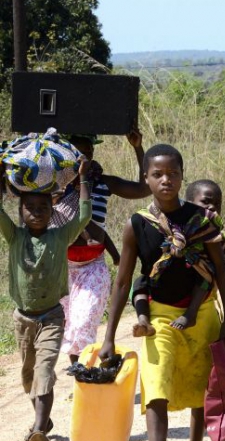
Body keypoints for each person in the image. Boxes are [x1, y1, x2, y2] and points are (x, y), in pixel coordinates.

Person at [98, 144, 225, 441]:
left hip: (202, 311)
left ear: (181, 176)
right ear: (146, 178)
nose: (165, 180)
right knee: (156, 385)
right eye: (157, 174)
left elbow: (220, 270)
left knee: (198, 384)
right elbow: (124, 281)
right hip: (159, 314)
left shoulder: (202, 220)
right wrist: (110, 336)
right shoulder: (137, 225)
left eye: (172, 174)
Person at [0, 159, 91, 441]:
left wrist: (83, 181)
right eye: (30, 208)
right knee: (29, 375)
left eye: (43, 208)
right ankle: (44, 420)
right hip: (23, 318)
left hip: (52, 315)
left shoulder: (60, 236)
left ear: (52, 212)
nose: (37, 213)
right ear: (21, 212)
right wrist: (1, 180)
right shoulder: (15, 237)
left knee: (44, 369)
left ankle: (38, 431)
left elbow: (85, 215)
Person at [51, 131, 150, 364]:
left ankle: (83, 374)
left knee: (84, 320)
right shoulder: (55, 184)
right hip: (60, 266)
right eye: (78, 153)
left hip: (92, 266)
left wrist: (138, 148)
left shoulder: (103, 183)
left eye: (88, 152)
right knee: (68, 325)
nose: (84, 158)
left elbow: (143, 189)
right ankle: (81, 376)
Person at [132, 178, 225, 338]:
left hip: (200, 272)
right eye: (206, 202)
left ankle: (191, 314)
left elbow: (219, 266)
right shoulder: (172, 223)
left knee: (204, 277)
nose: (212, 207)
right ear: (188, 204)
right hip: (170, 273)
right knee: (140, 283)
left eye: (217, 204)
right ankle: (144, 320)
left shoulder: (211, 228)